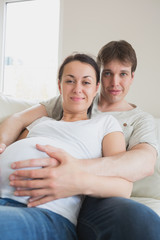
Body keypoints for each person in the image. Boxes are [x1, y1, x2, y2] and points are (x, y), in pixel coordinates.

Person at [0, 40, 160, 239]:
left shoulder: (122, 122)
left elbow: (143, 163)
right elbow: (19, 120)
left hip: (79, 196)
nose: (115, 82)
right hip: (12, 192)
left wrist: (77, 172)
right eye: (108, 73)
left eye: (123, 74)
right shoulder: (57, 108)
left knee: (138, 217)